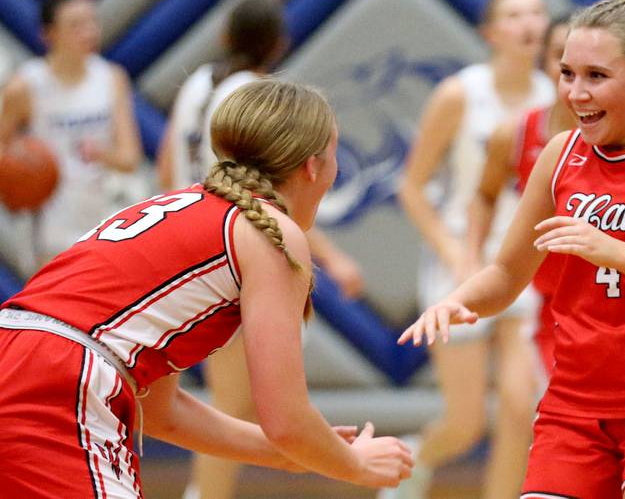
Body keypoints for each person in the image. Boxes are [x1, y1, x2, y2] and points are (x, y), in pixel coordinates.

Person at [399, 0, 625, 499]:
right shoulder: (559, 154)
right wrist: (459, 299)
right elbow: (506, 273)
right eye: (566, 73)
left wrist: (615, 251)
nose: (575, 92)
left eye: (595, 76)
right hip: (576, 404)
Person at [0, 78, 413, 498]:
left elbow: (163, 413)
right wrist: (355, 465)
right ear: (312, 165)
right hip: (60, 377)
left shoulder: (185, 208)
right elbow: (287, 420)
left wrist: (300, 453)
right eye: (334, 151)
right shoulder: (267, 233)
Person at [157, 0, 364, 499]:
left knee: (211, 403)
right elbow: (267, 195)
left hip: (186, 239)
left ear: (226, 36)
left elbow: (167, 167)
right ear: (279, 44)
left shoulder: (197, 83)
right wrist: (334, 258)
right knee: (232, 406)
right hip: (229, 251)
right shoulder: (259, 97)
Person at [385, 0, 554, 499]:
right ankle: (412, 461)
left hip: (526, 261)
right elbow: (409, 186)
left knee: (522, 409)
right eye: (514, 14)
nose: (529, 23)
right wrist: (453, 250)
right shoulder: (460, 94)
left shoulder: (558, 96)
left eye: (536, 12)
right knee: (465, 424)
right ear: (490, 32)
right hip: (461, 257)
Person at [0, 0, 143, 267]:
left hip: (100, 222)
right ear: (48, 34)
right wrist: (20, 167)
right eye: (76, 24)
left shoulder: (111, 78)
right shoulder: (26, 85)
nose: (88, 31)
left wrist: (103, 154)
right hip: (46, 227)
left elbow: (130, 159)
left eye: (92, 22)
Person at [467, 16, 574, 375]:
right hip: (548, 302)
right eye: (561, 55)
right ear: (543, 62)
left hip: (621, 303)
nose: (570, 68)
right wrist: (472, 256)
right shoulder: (515, 132)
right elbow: (484, 196)